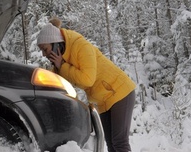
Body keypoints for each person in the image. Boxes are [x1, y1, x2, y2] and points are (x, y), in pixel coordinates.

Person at [36, 17, 136, 152]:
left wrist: (62, 66)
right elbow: (57, 82)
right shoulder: (61, 59)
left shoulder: (81, 46)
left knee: (119, 142)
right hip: (104, 100)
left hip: (119, 91)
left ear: (55, 44)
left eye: (45, 49)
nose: (43, 54)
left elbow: (87, 80)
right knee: (111, 144)